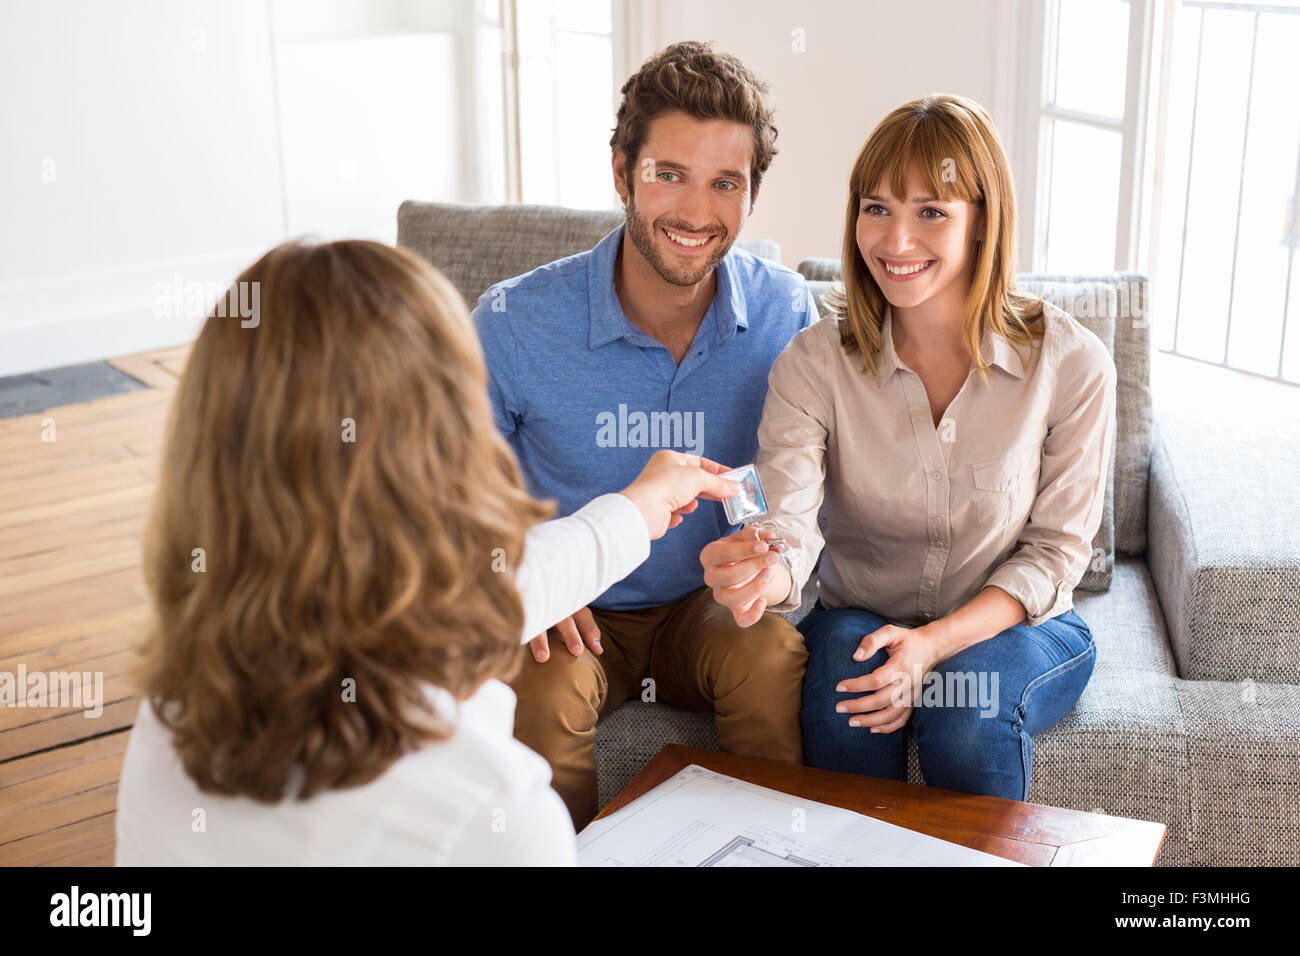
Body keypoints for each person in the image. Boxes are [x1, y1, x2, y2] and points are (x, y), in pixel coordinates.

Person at [115, 239, 741, 866]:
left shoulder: (172, 718)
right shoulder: (491, 814)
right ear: (443, 443)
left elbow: (489, 591)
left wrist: (636, 508)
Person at [700, 94, 1116, 802]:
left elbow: (1054, 555)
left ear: (983, 221)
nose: (895, 241)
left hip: (1018, 622)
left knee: (964, 710)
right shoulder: (814, 362)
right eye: (876, 208)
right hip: (861, 608)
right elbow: (789, 524)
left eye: (932, 211)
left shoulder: (1071, 364)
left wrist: (931, 648)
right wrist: (760, 580)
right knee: (848, 694)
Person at [472, 41, 814, 829]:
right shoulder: (513, 322)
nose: (696, 213)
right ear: (623, 172)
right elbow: (440, 498)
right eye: (670, 174)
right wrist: (530, 576)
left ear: (752, 196)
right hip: (574, 607)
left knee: (767, 654)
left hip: (708, 604)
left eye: (725, 183)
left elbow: (818, 471)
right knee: (543, 685)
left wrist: (769, 556)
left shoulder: (787, 313)